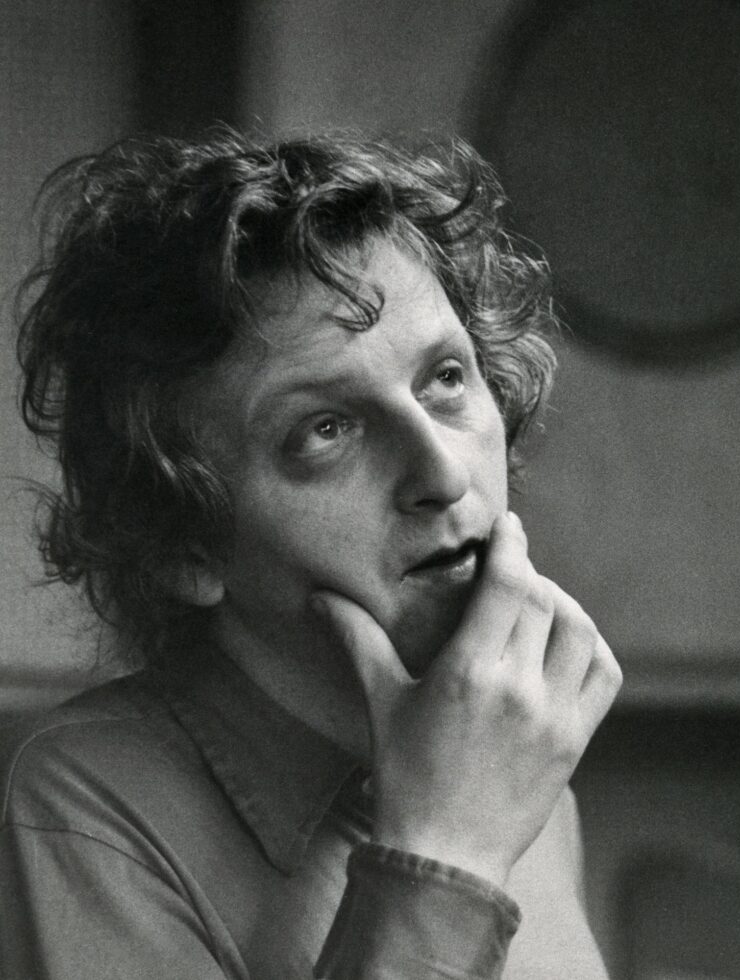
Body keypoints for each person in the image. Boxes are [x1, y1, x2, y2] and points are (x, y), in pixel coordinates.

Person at [0, 131, 622, 979]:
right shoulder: (74, 807)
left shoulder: (522, 768)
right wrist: (446, 853)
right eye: (325, 430)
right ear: (184, 542)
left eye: (446, 378)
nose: (443, 474)